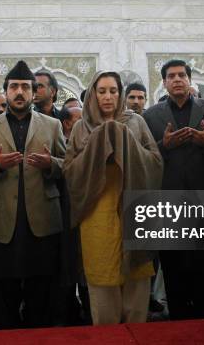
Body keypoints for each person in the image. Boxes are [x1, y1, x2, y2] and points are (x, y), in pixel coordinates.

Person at [0, 60, 66, 329]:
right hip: (3, 221)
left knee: (41, 290)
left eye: (25, 87)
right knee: (4, 292)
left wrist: (51, 165)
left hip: (42, 219)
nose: (20, 92)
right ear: (6, 91)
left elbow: (68, 165)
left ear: (34, 92)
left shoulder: (52, 125)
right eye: (14, 86)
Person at [64, 70, 163, 325]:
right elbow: (69, 171)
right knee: (102, 285)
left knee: (137, 285)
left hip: (134, 209)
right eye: (102, 91)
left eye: (113, 91)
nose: (108, 97)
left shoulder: (136, 123)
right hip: (97, 212)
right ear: (93, 95)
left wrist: (125, 142)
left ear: (120, 94)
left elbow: (155, 162)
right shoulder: (81, 127)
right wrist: (97, 147)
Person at [143, 59, 204, 320]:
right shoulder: (151, 116)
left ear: (190, 79)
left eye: (182, 74)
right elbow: (145, 161)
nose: (177, 79)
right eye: (171, 76)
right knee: (176, 279)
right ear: (164, 83)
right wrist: (164, 146)